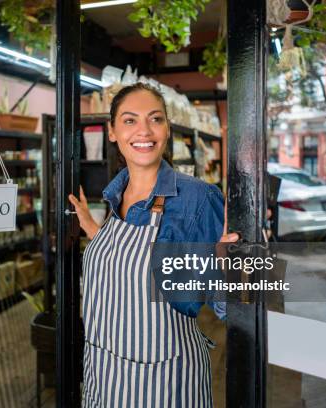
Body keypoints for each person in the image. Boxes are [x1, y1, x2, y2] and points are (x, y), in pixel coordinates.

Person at [68, 82, 239, 408]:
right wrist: (93, 228)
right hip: (103, 376)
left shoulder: (198, 200)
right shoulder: (114, 194)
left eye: (155, 119)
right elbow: (122, 262)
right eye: (130, 120)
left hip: (165, 384)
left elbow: (232, 306)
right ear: (113, 131)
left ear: (167, 129)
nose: (144, 130)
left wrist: (233, 264)